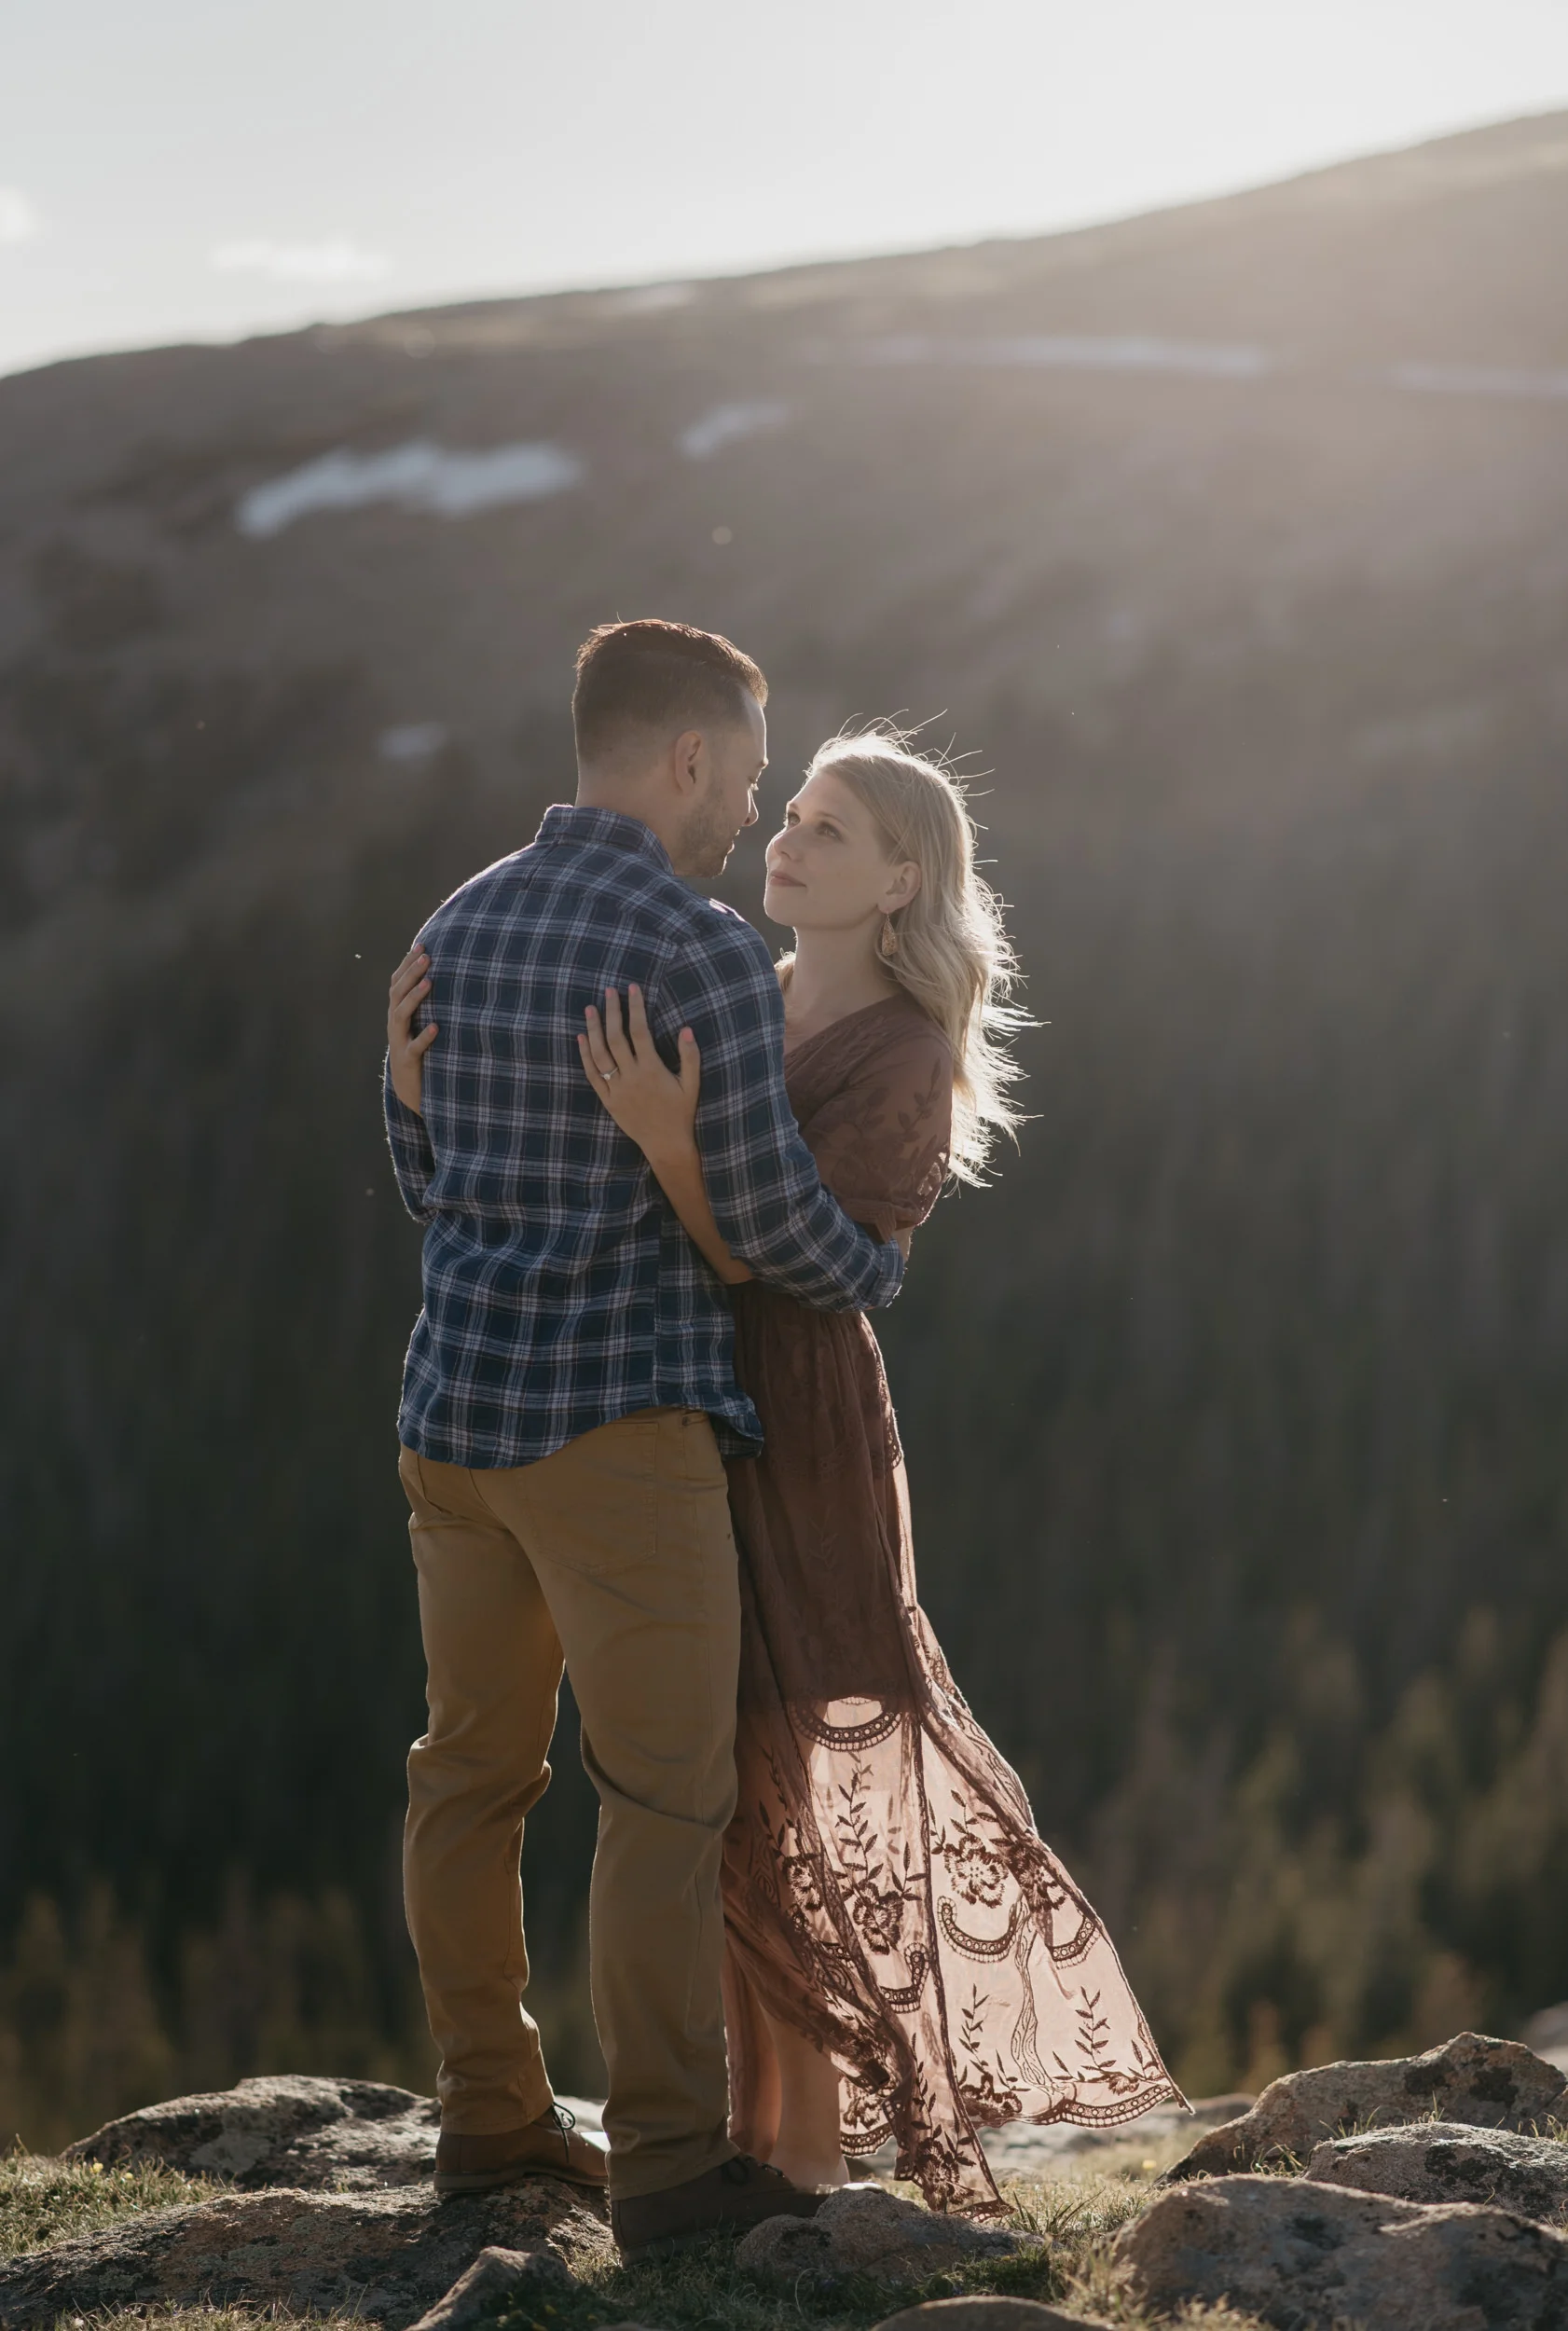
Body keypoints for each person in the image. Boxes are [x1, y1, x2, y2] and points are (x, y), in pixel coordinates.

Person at [569, 727, 1185, 2213]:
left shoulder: (902, 1053)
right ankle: (766, 2130)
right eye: (787, 813)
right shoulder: (748, 984)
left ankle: (800, 2149)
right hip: (676, 1396)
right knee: (722, 1775)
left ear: (903, 880)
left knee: (783, 1762)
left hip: (797, 1422)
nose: (783, 840)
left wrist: (666, 1142)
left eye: (827, 829)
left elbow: (784, 1265)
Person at [381, 620, 907, 2261]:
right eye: (745, 779)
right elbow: (771, 1226)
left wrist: (400, 1095)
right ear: (685, 758)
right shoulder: (692, 948)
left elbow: (432, 1179)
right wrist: (873, 1263)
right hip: (615, 1432)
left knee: (469, 1778)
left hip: (451, 1424)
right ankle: (672, 2168)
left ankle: (490, 2122)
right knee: (665, 1805)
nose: (748, 813)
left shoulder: (458, 919)